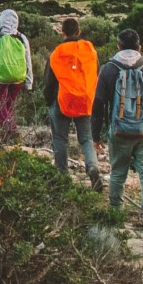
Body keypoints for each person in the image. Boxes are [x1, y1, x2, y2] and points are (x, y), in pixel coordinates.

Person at [91, 29, 143, 230]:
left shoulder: (108, 70)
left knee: (118, 173)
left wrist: (96, 135)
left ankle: (115, 215)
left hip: (118, 131)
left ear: (118, 47)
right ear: (139, 48)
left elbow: (98, 104)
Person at [45, 18, 103, 191]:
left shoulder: (57, 52)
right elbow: (96, 74)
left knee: (60, 139)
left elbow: (49, 82)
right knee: (86, 139)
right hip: (85, 101)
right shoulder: (90, 50)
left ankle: (62, 177)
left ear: (62, 32)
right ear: (79, 31)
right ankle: (92, 167)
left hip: (63, 100)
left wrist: (49, 101)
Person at [0, 9, 33, 142]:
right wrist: (29, 81)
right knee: (9, 103)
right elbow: (28, 60)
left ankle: (9, 129)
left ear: (1, 21)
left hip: (0, 78)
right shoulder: (22, 38)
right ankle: (11, 128)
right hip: (18, 77)